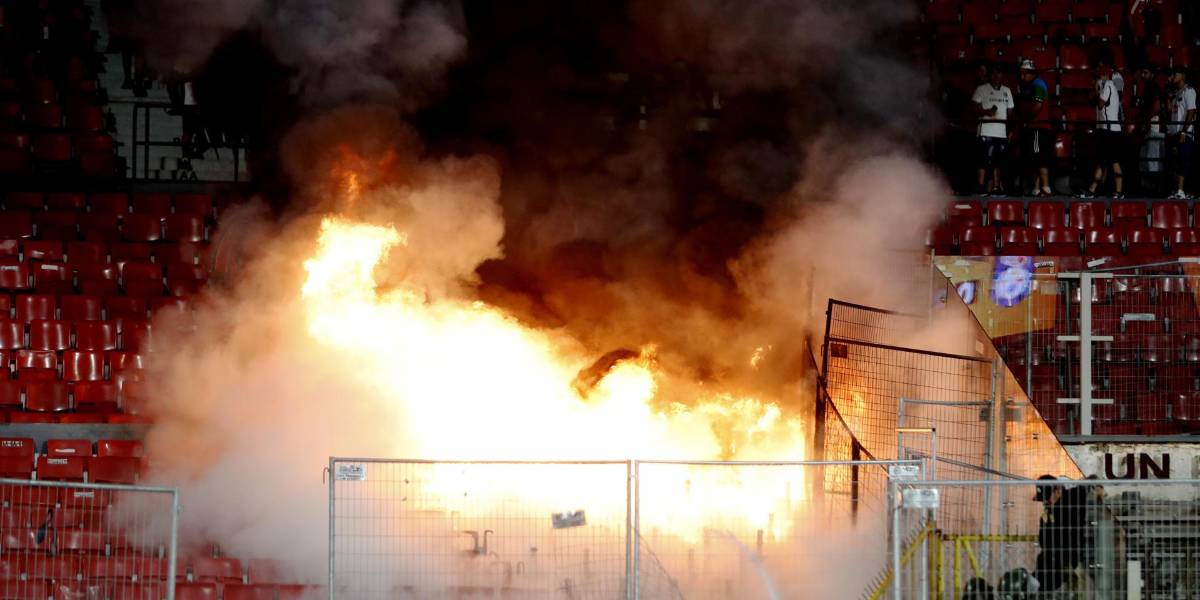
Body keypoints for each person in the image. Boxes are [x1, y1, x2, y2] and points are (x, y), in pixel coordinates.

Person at [1032, 475, 1088, 595]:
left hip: (1065, 562)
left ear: (1058, 490)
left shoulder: (1072, 500)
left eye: (1047, 498)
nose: (1045, 502)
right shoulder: (1050, 511)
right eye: (1043, 499)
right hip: (1051, 561)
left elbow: (1088, 483)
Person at [1079, 64, 1125, 198]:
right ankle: (1092, 190)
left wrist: (1096, 89)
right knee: (1101, 161)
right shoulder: (1102, 85)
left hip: (1111, 130)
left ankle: (1119, 191)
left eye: (1098, 75)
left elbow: (1100, 103)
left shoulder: (1109, 85)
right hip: (1104, 129)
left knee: (1114, 161)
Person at [973, 66, 1015, 196]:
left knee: (998, 160)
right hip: (986, 129)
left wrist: (1010, 129)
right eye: (994, 74)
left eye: (999, 73)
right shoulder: (981, 89)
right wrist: (986, 112)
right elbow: (975, 107)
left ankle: (996, 187)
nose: (997, 77)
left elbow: (1010, 112)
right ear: (990, 76)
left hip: (1001, 131)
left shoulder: (1007, 91)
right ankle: (980, 187)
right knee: (983, 159)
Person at [1018, 60, 1054, 197]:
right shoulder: (1031, 84)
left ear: (1031, 73)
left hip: (1039, 127)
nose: (1022, 77)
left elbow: (1038, 106)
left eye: (1024, 74)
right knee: (1035, 158)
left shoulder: (1038, 84)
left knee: (1040, 158)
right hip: (1034, 127)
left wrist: (1025, 118)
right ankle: (1037, 188)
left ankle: (1045, 188)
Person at [1165, 65, 1196, 199]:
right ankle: (1178, 190)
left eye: (1175, 74)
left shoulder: (1189, 91)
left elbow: (1191, 112)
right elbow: (1172, 112)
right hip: (1175, 133)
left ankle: (1182, 191)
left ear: (1182, 75)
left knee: (1184, 162)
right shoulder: (1176, 93)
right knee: (1176, 163)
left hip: (1184, 134)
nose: (1173, 77)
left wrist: (1184, 132)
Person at [1133, 66, 1165, 187]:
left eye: (1145, 72)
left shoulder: (1154, 87)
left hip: (1154, 125)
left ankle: (1156, 188)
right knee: (1146, 157)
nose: (1143, 75)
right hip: (1147, 125)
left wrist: (1145, 120)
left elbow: (1157, 107)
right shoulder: (1147, 87)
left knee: (1153, 158)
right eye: (1142, 72)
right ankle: (1148, 187)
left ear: (1152, 74)